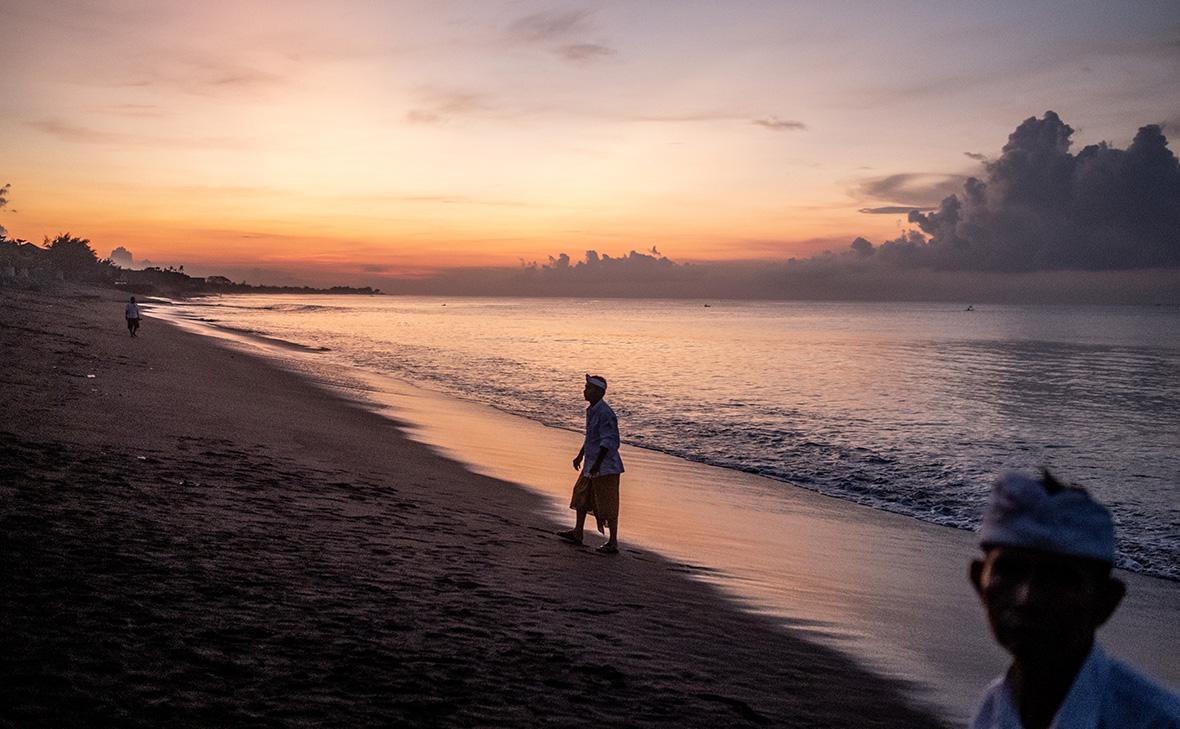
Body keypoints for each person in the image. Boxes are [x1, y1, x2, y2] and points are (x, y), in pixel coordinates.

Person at [969, 470, 1180, 729]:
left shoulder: (1157, 720)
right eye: (1010, 571)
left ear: (1105, 602)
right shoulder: (995, 708)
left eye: (1059, 579)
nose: (1027, 598)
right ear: (979, 581)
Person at [557, 374, 624, 554]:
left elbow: (608, 441)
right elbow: (590, 438)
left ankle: (613, 542)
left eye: (588, 388)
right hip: (591, 464)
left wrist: (597, 464)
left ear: (599, 392)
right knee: (581, 495)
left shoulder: (605, 413)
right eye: (586, 387)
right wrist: (580, 456)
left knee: (607, 503)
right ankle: (578, 532)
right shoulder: (592, 410)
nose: (585, 391)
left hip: (605, 467)